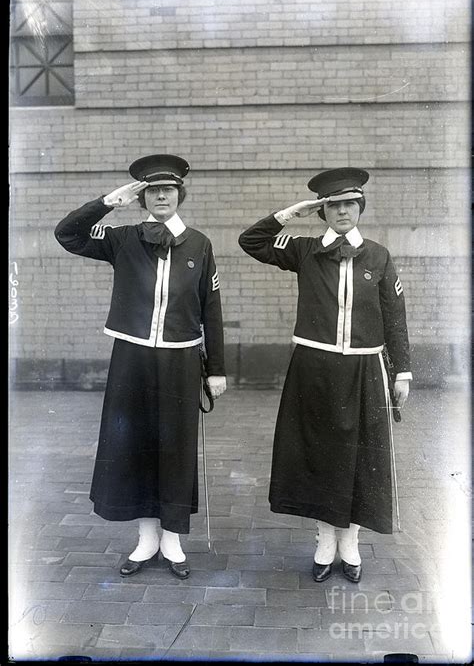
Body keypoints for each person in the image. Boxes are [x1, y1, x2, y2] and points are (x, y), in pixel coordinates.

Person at [55, 154, 226, 579]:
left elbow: (212, 308)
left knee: (174, 447)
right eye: (152, 190)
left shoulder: (199, 244)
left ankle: (172, 541)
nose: (162, 195)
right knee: (134, 446)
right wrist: (109, 201)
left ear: (180, 195)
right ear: (141, 197)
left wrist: (217, 369)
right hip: (131, 357)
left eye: (168, 189)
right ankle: (146, 540)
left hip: (180, 359)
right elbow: (68, 234)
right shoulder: (123, 238)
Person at [238, 168, 411, 583]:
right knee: (318, 457)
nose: (342, 211)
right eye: (333, 205)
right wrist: (290, 214)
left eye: (349, 204)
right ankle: (323, 541)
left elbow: (395, 318)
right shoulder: (305, 250)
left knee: (358, 459)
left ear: (360, 208)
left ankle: (349, 543)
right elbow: (251, 242)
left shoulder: (379, 256)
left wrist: (401, 371)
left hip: (364, 369)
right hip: (313, 369)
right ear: (323, 211)